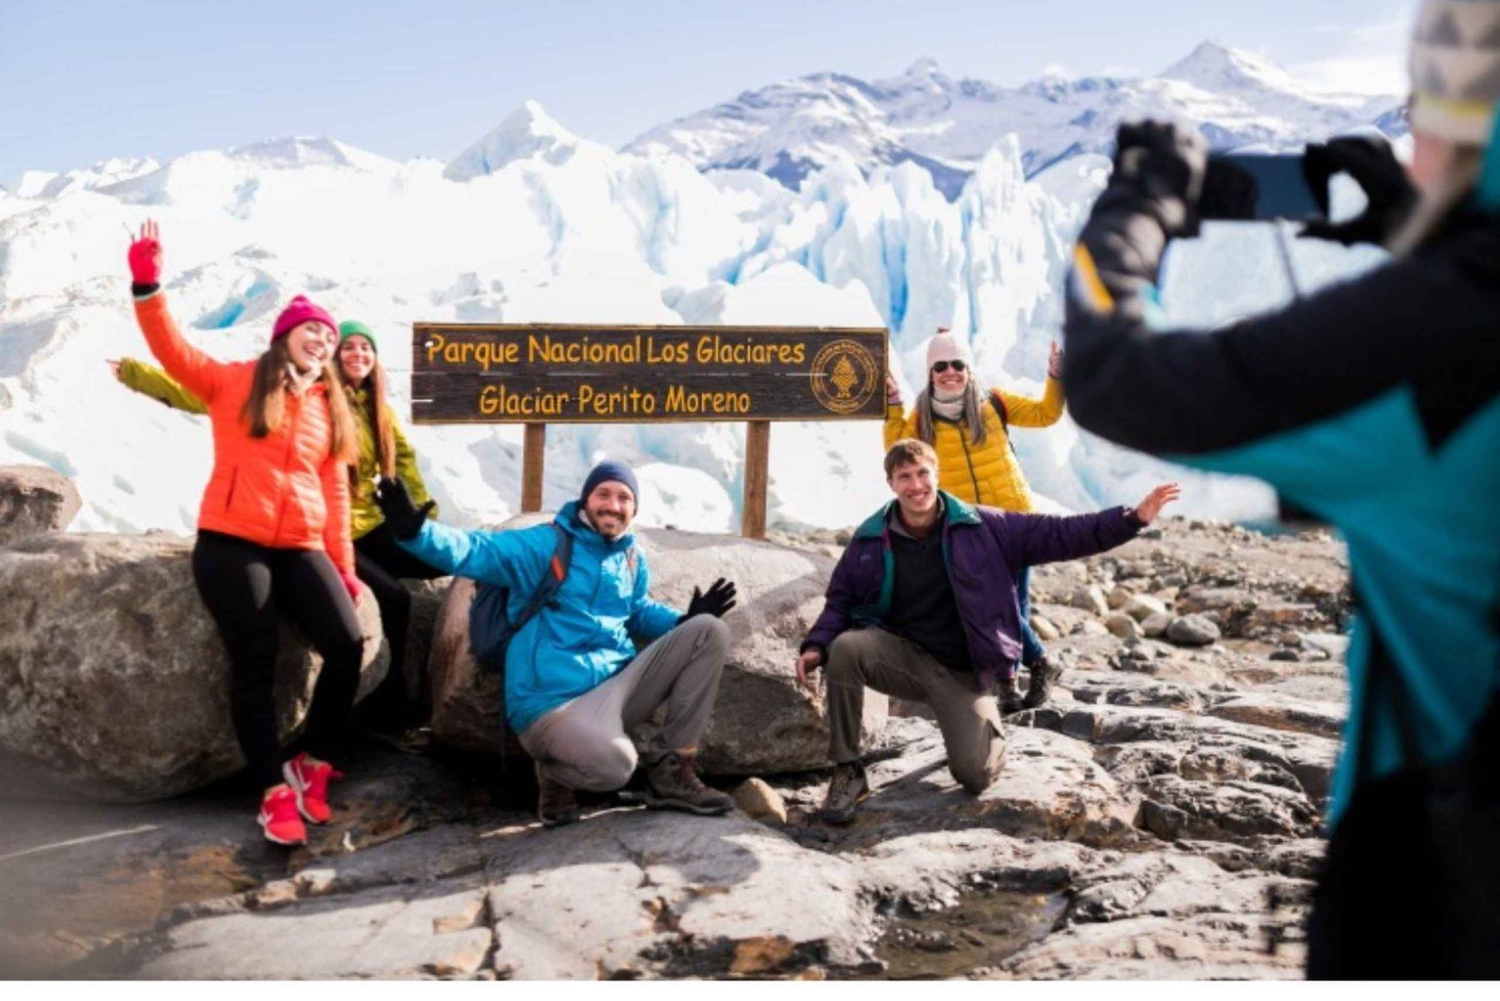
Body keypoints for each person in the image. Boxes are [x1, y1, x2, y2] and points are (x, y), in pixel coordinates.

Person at [1060, 1, 1500, 977]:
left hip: (1441, 875)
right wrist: (1423, 231)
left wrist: (1134, 207)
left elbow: (1113, 374)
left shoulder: (1436, 337)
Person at [126, 220, 364, 847]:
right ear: (285, 336)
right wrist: (148, 285)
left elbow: (335, 493)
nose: (321, 339)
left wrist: (343, 565)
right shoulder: (235, 381)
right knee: (255, 660)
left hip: (300, 547)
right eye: (311, 328)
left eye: (329, 333)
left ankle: (311, 763)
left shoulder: (327, 406)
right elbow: (172, 350)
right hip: (232, 542)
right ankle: (271, 789)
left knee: (346, 642)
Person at [796, 438, 1179, 824]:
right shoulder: (870, 538)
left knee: (975, 776)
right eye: (905, 477)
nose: (916, 485)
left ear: (937, 475)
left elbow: (1063, 534)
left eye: (923, 473)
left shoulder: (984, 526)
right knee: (845, 648)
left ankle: (982, 727)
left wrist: (1132, 520)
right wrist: (817, 645)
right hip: (903, 659)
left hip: (964, 672)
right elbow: (840, 601)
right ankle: (847, 770)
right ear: (891, 484)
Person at [110, 321, 445, 732]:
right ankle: (384, 706)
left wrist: (424, 524)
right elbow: (204, 395)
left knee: (442, 566)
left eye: (366, 348)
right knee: (395, 599)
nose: (358, 354)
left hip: (371, 525)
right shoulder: (313, 399)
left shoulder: (379, 410)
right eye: (349, 347)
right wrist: (137, 374)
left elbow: (405, 464)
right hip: (325, 530)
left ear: (375, 361)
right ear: (334, 357)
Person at [374, 459, 740, 826]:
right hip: (552, 702)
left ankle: (671, 771)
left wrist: (681, 620)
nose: (613, 505)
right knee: (617, 767)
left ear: (634, 509)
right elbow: (477, 550)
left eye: (624, 497)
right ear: (585, 500)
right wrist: (415, 534)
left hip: (614, 687)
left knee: (708, 630)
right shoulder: (546, 544)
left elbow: (637, 609)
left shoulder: (629, 556)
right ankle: (554, 774)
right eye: (604, 494)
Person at [884, 329, 1068, 714]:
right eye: (941, 366)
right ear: (930, 371)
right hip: (965, 524)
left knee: (1012, 602)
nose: (950, 372)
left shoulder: (994, 403)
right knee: (990, 603)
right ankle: (1037, 664)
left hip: (1014, 517)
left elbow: (1045, 414)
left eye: (957, 364)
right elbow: (896, 450)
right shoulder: (921, 420)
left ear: (968, 368)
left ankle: (1009, 684)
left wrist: (1056, 377)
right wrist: (894, 404)